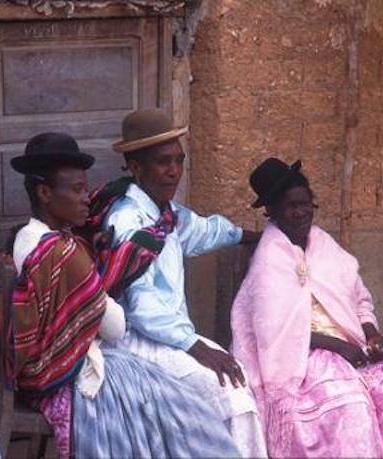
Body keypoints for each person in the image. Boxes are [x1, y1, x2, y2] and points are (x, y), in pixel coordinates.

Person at [9, 132, 241, 459]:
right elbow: (115, 327)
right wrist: (102, 281)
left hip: (38, 373)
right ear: (45, 193)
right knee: (182, 414)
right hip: (64, 374)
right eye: (76, 190)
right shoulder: (63, 251)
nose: (87, 199)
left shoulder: (25, 239)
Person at [94, 108, 267, 457]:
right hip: (135, 344)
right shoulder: (131, 221)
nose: (173, 171)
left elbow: (205, 230)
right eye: (163, 162)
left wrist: (259, 237)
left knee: (238, 381)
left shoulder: (166, 215)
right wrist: (194, 346)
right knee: (229, 394)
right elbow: (143, 308)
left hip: (169, 338)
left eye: (178, 160)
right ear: (136, 167)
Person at [231, 157, 383, 458]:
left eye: (306, 205)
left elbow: (359, 297)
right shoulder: (268, 261)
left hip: (352, 346)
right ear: (271, 211)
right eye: (292, 206)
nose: (301, 213)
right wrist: (338, 348)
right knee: (350, 407)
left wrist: (371, 334)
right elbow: (275, 332)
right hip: (303, 358)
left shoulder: (324, 244)